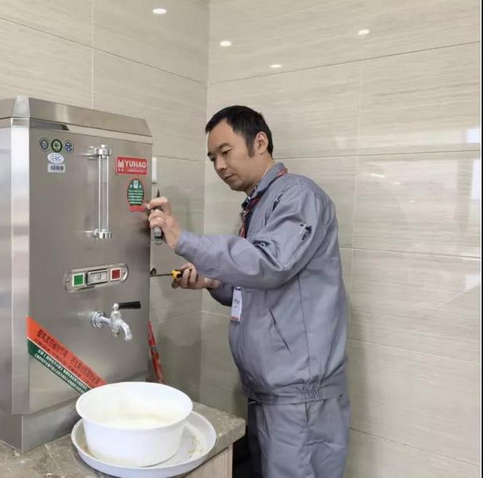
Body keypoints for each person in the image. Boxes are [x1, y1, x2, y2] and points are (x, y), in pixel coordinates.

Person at [147, 105, 350, 477]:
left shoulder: (298, 195)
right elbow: (256, 284)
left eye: (225, 152)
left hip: (299, 399)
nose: (220, 165)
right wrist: (213, 281)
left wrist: (184, 239)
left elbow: (270, 264)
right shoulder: (258, 206)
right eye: (212, 158)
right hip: (270, 392)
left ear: (259, 142)